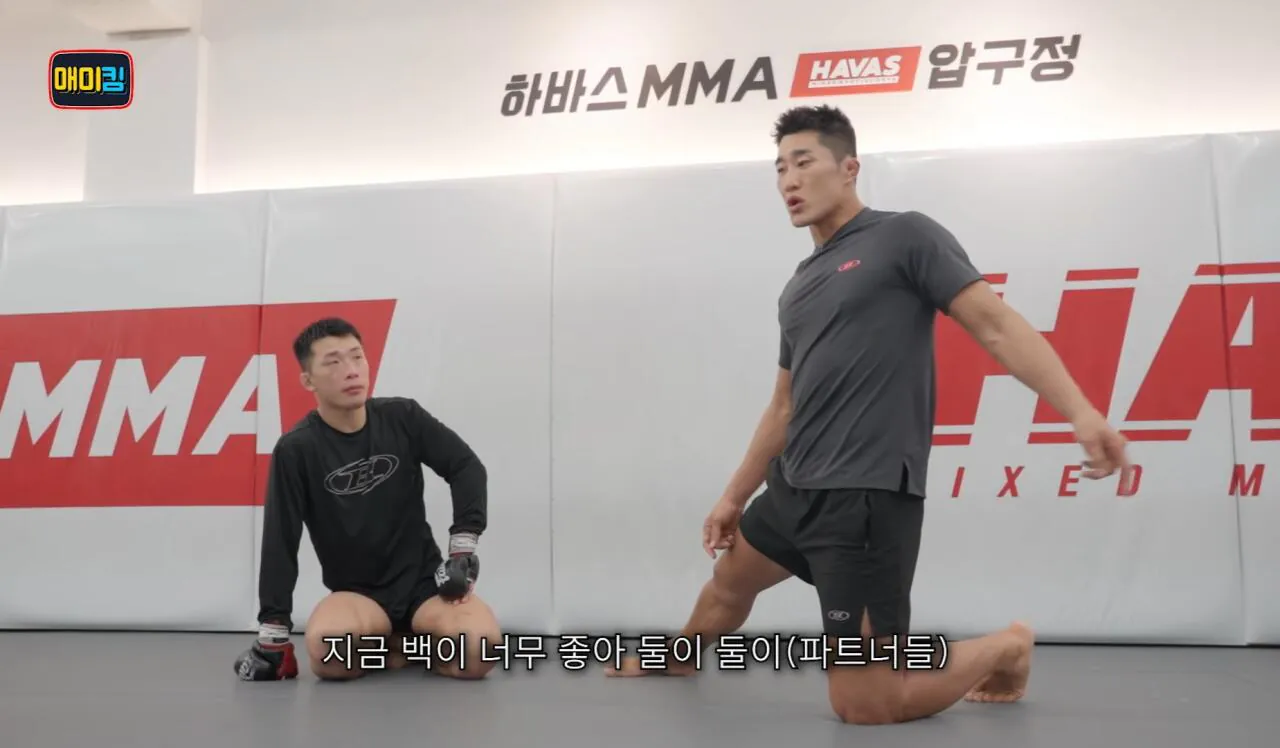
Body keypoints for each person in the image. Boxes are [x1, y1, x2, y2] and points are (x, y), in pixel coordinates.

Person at [607, 105, 1135, 724]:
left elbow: (995, 325)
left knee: (866, 704)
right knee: (729, 584)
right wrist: (734, 496)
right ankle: (680, 657)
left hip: (864, 500)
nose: (788, 181)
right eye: (779, 169)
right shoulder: (799, 284)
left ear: (849, 168)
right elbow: (784, 404)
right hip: (794, 489)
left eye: (803, 163)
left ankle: (1006, 646)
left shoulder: (905, 236)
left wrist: (1080, 412)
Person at [234, 317, 502, 682]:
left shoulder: (403, 417)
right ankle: (407, 648)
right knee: (329, 654)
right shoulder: (297, 449)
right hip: (358, 598)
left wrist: (462, 550)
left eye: (357, 357)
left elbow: (466, 467)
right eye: (333, 362)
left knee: (479, 651)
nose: (351, 371)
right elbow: (281, 538)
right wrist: (273, 630)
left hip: (425, 589)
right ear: (308, 380)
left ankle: (397, 649)